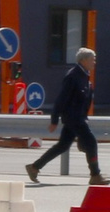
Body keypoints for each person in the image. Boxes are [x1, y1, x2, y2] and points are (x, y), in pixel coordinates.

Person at [27, 47, 100, 186]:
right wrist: (54, 120)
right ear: (83, 60)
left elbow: (85, 102)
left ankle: (34, 167)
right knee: (91, 142)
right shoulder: (73, 76)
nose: (94, 62)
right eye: (92, 59)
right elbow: (61, 99)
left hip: (78, 118)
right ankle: (95, 174)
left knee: (62, 146)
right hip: (74, 118)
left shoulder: (85, 77)